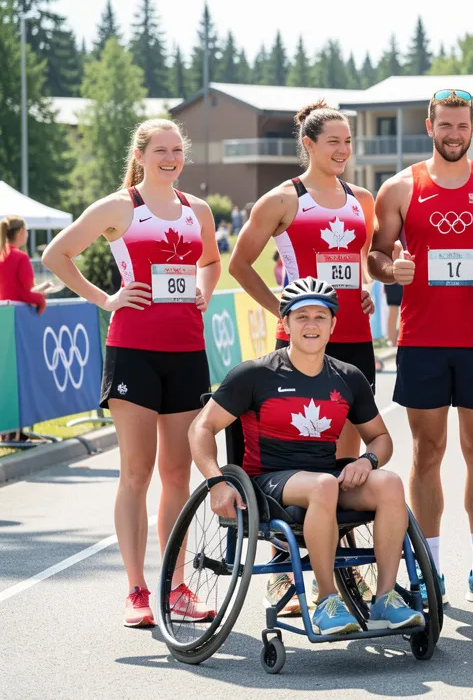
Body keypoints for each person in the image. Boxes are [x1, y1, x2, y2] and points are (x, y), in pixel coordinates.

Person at [42, 118, 221, 627]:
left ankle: (177, 585)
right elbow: (56, 254)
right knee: (137, 473)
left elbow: (211, 261)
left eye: (177, 151)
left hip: (186, 352)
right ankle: (137, 591)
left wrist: (206, 287)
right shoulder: (120, 206)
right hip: (134, 352)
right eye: (160, 150)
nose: (170, 158)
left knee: (177, 475)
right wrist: (107, 299)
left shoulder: (197, 210)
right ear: (140, 155)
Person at [188, 279, 422, 635]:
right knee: (325, 485)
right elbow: (200, 429)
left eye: (319, 317)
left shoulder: (349, 377)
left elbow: (380, 439)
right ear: (285, 323)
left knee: (389, 483)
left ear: (333, 325)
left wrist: (366, 462)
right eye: (301, 317)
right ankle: (328, 600)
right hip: (268, 481)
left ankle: (384, 600)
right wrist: (216, 480)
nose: (311, 325)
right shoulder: (255, 374)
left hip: (325, 477)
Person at [367, 88, 473, 610]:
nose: (453, 135)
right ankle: (430, 567)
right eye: (445, 126)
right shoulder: (399, 188)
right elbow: (375, 255)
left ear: (472, 129)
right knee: (427, 453)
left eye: (462, 126)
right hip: (423, 339)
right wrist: (393, 269)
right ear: (430, 127)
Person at [229, 100, 378, 613]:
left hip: (354, 340)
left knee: (341, 459)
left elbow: (358, 262)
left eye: (348, 141)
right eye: (333, 141)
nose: (343, 150)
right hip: (299, 343)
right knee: (292, 450)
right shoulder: (281, 200)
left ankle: (336, 568)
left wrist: (362, 289)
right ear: (309, 144)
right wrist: (284, 309)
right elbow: (240, 264)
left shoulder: (363, 198)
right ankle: (284, 576)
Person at [0, 215, 49, 313]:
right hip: (16, 312)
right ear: (21, 231)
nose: (27, 234)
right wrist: (41, 299)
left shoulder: (3, 254)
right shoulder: (21, 257)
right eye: (27, 230)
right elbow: (27, 289)